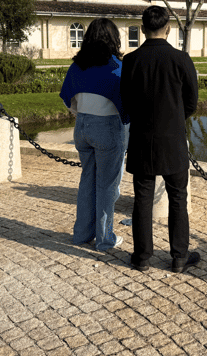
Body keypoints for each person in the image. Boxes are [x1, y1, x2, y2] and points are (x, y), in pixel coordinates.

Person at [121, 5, 200, 273]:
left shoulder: (131, 61)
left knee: (142, 198)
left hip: (142, 138)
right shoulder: (181, 59)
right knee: (178, 196)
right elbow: (191, 102)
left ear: (143, 29)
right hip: (173, 138)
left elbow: (126, 102)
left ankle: (142, 256)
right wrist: (176, 118)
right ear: (168, 28)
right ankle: (179, 257)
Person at [60, 18, 129, 251]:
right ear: (114, 39)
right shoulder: (116, 67)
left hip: (82, 126)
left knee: (87, 180)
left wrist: (83, 112)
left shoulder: (77, 65)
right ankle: (105, 238)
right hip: (107, 127)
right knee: (107, 185)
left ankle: (81, 234)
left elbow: (68, 99)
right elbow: (127, 107)